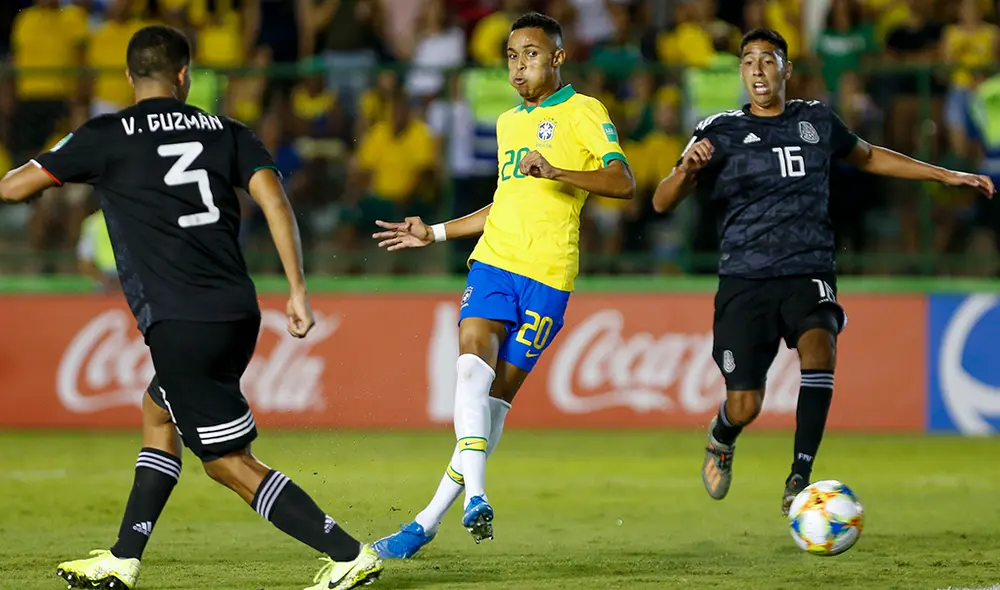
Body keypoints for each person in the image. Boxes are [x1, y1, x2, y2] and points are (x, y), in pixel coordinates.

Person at [0, 25, 382, 590]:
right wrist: (297, 291)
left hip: (181, 319)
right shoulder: (227, 130)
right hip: (236, 309)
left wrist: (62, 158)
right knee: (159, 409)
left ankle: (347, 552)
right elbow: (274, 198)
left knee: (227, 462)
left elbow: (13, 188)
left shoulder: (105, 134)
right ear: (185, 75)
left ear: (129, 76)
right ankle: (124, 558)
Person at [652, 28, 995, 515]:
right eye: (748, 62)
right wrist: (685, 171)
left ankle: (800, 476)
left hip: (808, 267)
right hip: (745, 278)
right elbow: (661, 201)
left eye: (768, 61)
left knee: (820, 346)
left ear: (786, 70)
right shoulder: (718, 130)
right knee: (746, 404)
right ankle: (723, 434)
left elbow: (871, 156)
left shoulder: (815, 120)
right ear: (741, 73)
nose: (757, 71)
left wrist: (946, 174)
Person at [369, 12, 635, 558]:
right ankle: (477, 498)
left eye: (531, 54)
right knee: (470, 364)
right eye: (512, 56)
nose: (519, 66)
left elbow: (623, 180)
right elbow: (507, 201)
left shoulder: (584, 112)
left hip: (548, 277)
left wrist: (559, 172)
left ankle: (425, 522)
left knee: (491, 406)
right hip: (494, 262)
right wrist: (436, 231)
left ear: (558, 58)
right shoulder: (509, 122)